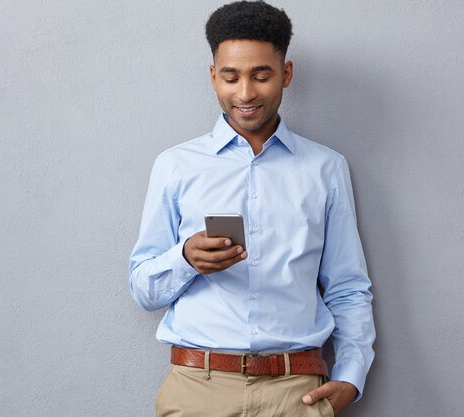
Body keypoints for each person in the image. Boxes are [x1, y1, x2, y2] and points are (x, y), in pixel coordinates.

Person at [129, 1, 375, 415]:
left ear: (286, 74)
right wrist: (186, 258)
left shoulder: (326, 168)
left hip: (296, 391)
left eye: (261, 75)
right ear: (213, 77)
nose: (245, 93)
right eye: (230, 77)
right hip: (198, 389)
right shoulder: (176, 166)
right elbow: (142, 287)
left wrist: (351, 376)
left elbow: (348, 287)